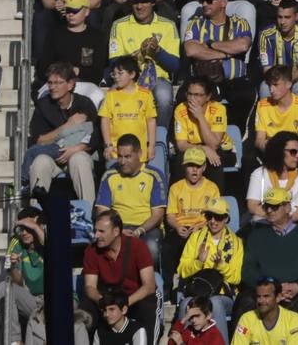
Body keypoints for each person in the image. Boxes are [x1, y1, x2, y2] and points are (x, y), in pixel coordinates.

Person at [238, 193, 298, 338]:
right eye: (267, 206)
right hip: (266, 294)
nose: (269, 210)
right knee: (243, 301)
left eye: (274, 207)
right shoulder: (256, 236)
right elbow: (248, 271)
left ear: (287, 207)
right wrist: (272, 289)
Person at [108, 0, 179, 124]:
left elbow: (174, 65)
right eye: (135, 2)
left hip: (159, 79)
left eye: (144, 1)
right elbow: (114, 63)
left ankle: (160, 137)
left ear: (153, 2)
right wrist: (140, 53)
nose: (139, 6)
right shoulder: (119, 25)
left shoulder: (168, 25)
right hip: (129, 79)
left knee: (164, 97)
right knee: (110, 98)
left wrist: (158, 51)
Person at [182, 0, 255, 126]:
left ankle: (238, 134)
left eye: (209, 1)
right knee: (183, 97)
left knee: (246, 94)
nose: (204, 4)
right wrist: (226, 54)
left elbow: (243, 45)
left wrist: (210, 44)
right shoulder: (196, 24)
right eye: (202, 1)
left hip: (235, 81)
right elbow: (191, 50)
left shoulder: (240, 23)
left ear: (223, 2)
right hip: (204, 80)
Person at [24, 61, 99, 201]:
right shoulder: (43, 105)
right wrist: (67, 126)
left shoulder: (85, 103)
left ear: (70, 84)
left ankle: (87, 215)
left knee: (79, 160)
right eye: (50, 83)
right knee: (40, 161)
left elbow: (95, 135)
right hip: (53, 157)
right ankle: (36, 214)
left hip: (78, 152)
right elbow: (39, 140)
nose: (52, 87)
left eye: (58, 83)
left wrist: (76, 149)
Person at [95, 134, 167, 272]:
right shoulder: (109, 175)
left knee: (151, 248)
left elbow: (157, 215)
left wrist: (139, 231)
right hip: (117, 227)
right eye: (120, 156)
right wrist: (118, 230)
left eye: (127, 156)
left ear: (139, 154)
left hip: (146, 228)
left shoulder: (154, 176)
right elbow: (102, 211)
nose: (122, 161)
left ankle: (153, 287)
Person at [82, 212, 158, 339]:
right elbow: (89, 286)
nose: (96, 235)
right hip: (106, 299)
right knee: (84, 312)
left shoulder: (137, 246)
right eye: (96, 231)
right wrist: (103, 302)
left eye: (101, 231)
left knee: (148, 308)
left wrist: (123, 304)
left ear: (116, 231)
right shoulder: (91, 251)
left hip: (134, 297)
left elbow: (149, 286)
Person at [165, 146, 222, 295]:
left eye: (198, 166)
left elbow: (214, 215)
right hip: (181, 228)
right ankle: (169, 287)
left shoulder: (212, 188)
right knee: (167, 247)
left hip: (203, 229)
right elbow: (170, 215)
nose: (194, 170)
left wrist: (200, 228)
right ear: (184, 167)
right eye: (191, 166)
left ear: (204, 167)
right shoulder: (175, 188)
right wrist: (178, 227)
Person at [172, 77, 237, 189]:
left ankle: (215, 199)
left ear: (208, 96)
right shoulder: (180, 109)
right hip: (194, 148)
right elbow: (181, 145)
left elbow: (213, 144)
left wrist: (200, 117)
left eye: (197, 95)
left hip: (222, 149)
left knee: (215, 158)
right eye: (189, 94)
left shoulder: (218, 109)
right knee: (180, 159)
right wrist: (203, 149)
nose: (192, 99)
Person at [33, 0, 106, 90]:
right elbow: (44, 66)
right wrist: (63, 72)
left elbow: (98, 72)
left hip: (85, 84)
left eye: (75, 11)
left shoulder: (96, 37)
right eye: (68, 10)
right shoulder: (55, 34)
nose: (71, 14)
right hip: (56, 83)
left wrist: (78, 71)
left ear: (87, 11)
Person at [0, 210, 46, 345]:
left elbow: (58, 256)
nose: (24, 233)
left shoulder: (49, 238)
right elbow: (18, 283)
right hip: (33, 301)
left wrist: (35, 226)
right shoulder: (15, 242)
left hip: (58, 300)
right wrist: (13, 267)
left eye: (28, 228)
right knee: (4, 287)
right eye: (21, 229)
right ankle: (15, 341)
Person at [98, 56, 157, 166]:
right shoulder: (111, 95)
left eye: (120, 73)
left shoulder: (146, 94)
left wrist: (151, 146)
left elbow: (151, 121)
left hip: (140, 153)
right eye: (114, 74)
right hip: (116, 154)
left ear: (132, 74)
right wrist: (108, 145)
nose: (116, 77)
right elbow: (105, 120)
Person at [255, 2, 298, 100]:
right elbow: (267, 69)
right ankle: (267, 115)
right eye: (280, 17)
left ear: (296, 16)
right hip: (274, 78)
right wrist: (279, 83)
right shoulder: (265, 35)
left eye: (287, 17)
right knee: (264, 88)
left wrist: (285, 83)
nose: (282, 22)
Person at [245, 132, 298, 226]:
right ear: (278, 151)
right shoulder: (260, 174)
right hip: (265, 224)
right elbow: (252, 206)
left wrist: (284, 222)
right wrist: (275, 218)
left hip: (291, 225)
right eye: (293, 152)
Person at [232, 277, 298, 345]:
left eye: (266, 296)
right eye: (258, 296)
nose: (261, 301)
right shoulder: (246, 319)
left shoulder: (293, 319)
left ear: (278, 297)